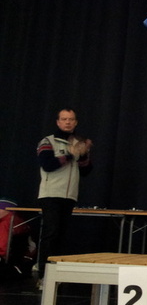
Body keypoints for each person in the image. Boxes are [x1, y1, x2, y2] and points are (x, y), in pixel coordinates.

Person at [36, 108, 93, 286]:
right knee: (51, 233)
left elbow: (86, 170)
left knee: (61, 235)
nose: (68, 122)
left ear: (76, 122)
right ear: (58, 122)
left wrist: (83, 154)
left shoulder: (78, 142)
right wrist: (70, 154)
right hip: (51, 193)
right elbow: (47, 165)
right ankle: (43, 275)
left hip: (69, 196)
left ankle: (57, 274)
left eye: (71, 119)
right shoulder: (48, 141)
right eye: (64, 119)